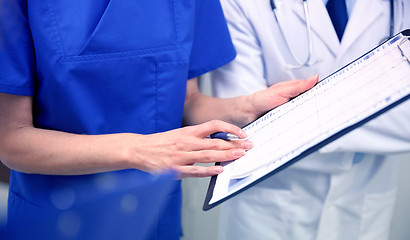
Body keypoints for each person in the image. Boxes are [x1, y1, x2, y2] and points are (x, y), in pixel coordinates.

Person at [0, 0, 317, 239]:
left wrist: (248, 106)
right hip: (58, 217)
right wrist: (137, 150)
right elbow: (11, 141)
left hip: (153, 214)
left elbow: (188, 103)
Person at [211, 0, 410, 239]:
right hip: (270, 207)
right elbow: (244, 129)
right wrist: (378, 98)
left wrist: (292, 116)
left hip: (364, 202)